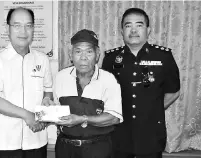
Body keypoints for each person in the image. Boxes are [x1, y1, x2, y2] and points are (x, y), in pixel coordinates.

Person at [102, 8, 180, 158]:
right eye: (128, 25)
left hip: (151, 133)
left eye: (139, 25)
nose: (133, 30)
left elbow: (173, 91)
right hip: (119, 133)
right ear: (121, 30)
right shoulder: (110, 59)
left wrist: (151, 109)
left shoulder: (163, 56)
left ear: (148, 30)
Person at [0, 7, 54, 158]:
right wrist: (27, 115)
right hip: (7, 142)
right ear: (7, 28)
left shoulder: (42, 59)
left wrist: (46, 108)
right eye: (17, 25)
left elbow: (48, 91)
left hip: (37, 139)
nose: (23, 31)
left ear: (33, 29)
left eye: (28, 26)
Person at [53, 29, 123, 158]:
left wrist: (82, 119)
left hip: (98, 149)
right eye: (78, 51)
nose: (83, 57)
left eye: (89, 52)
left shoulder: (108, 79)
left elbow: (114, 118)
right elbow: (54, 110)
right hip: (65, 148)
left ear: (97, 55)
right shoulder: (60, 77)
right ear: (70, 55)